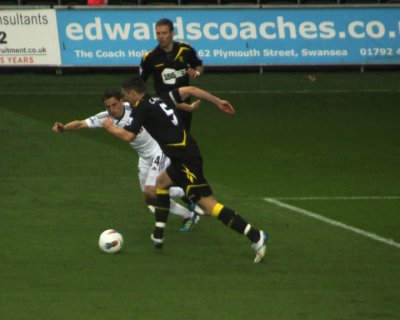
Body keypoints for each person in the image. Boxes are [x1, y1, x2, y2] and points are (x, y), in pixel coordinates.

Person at [102, 76, 268, 263]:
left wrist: (110, 128)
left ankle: (256, 236)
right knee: (161, 183)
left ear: (133, 93)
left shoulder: (141, 107)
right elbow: (190, 90)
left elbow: (128, 136)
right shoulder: (160, 99)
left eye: (125, 96)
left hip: (186, 160)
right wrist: (217, 101)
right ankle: (158, 234)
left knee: (209, 207)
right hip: (182, 155)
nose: (124, 100)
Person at [52, 89, 202, 232]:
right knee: (149, 198)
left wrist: (187, 107)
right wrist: (64, 128)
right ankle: (185, 194)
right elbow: (80, 123)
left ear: (122, 101)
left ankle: (189, 214)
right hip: (144, 158)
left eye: (114, 105)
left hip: (159, 151)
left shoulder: (135, 108)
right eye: (108, 107)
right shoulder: (105, 118)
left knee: (152, 192)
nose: (112, 109)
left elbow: (161, 103)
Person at [139, 18, 204, 132]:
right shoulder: (149, 57)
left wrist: (196, 73)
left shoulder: (185, 49)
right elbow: (140, 82)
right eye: (158, 33)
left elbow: (198, 65)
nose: (161, 37)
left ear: (172, 33)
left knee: (184, 136)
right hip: (164, 106)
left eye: (164, 33)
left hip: (184, 104)